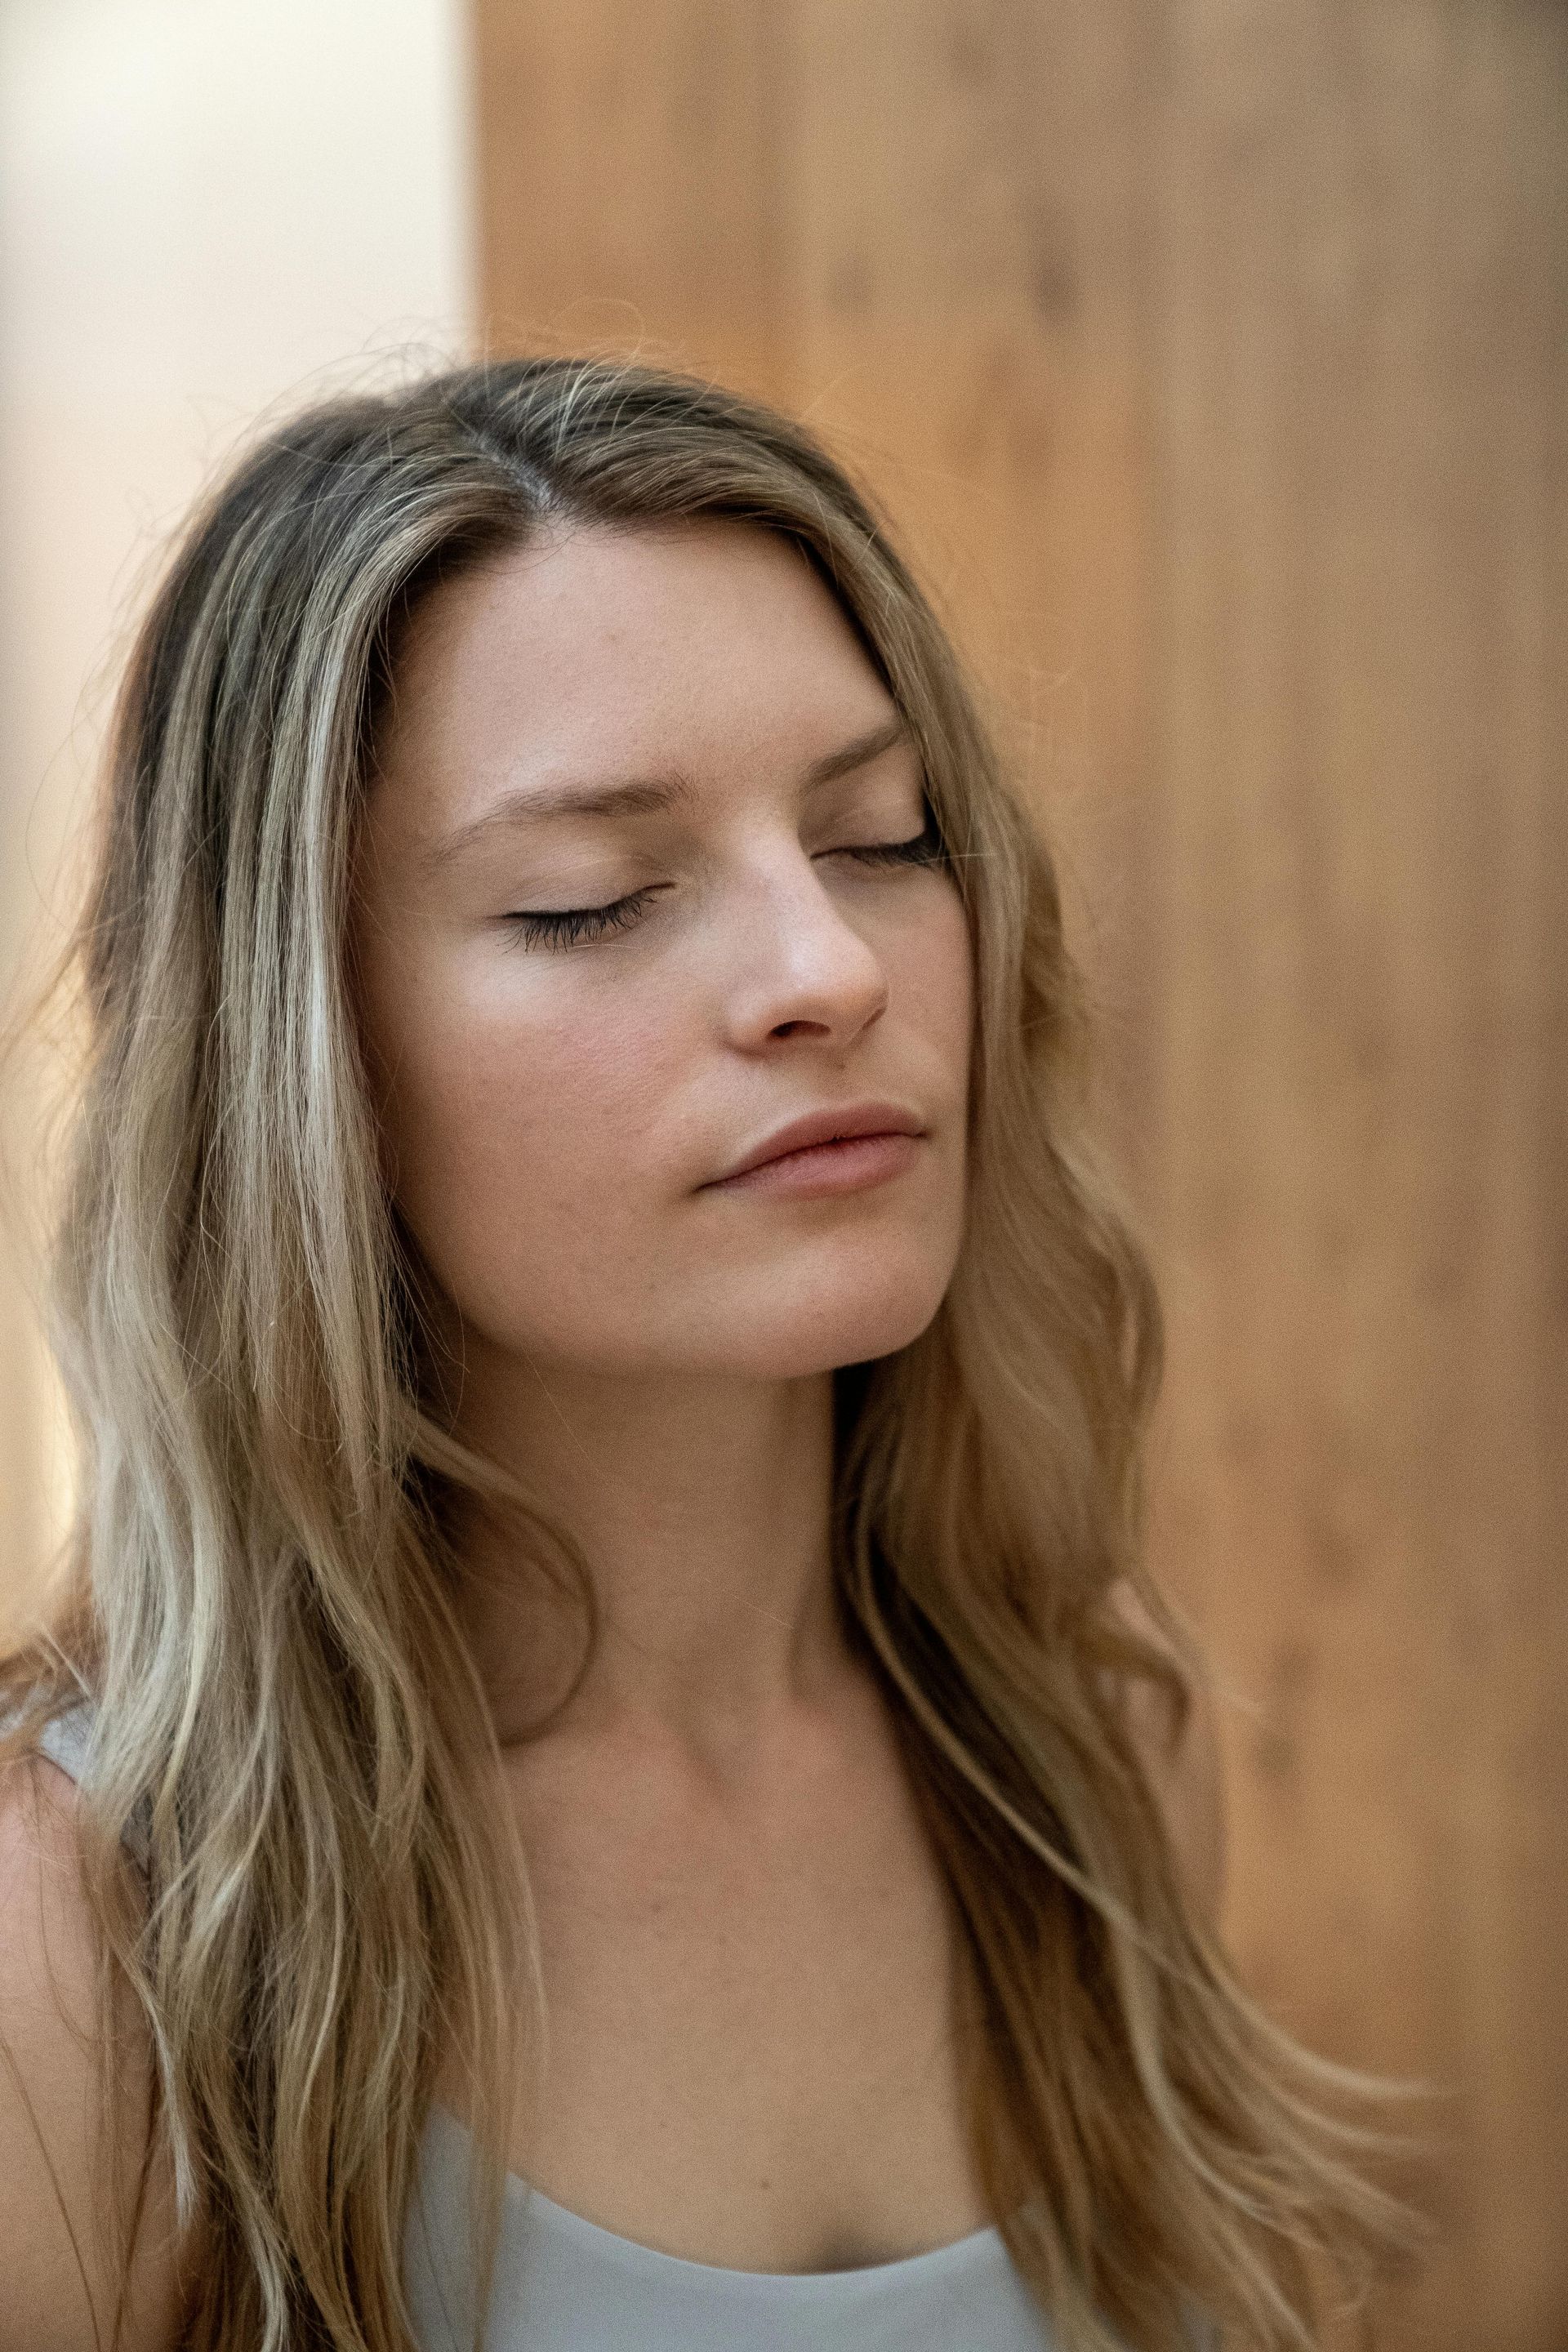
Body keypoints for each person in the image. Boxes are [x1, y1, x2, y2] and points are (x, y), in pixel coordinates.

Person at [0, 358, 1404, 2352]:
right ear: (303, 1061)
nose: (829, 972)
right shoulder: (89, 1947)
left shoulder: (1086, 1765)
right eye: (595, 902)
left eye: (883, 836)